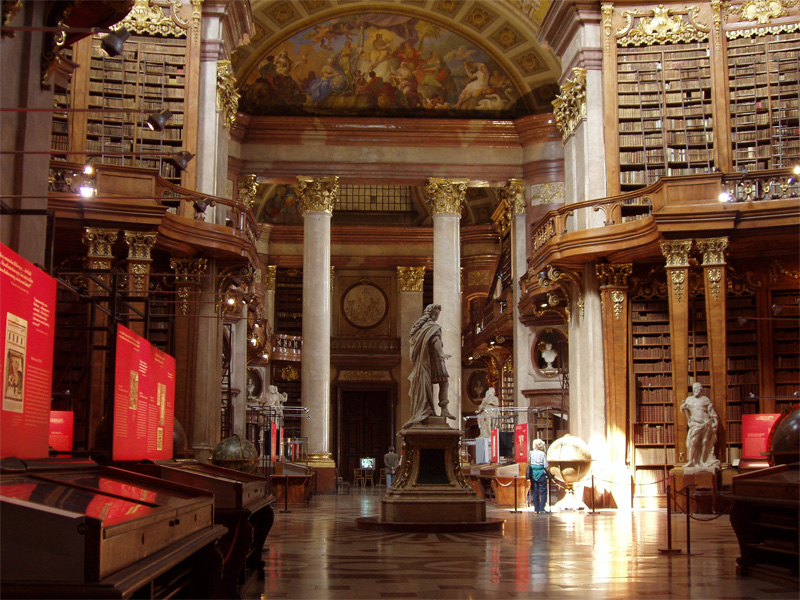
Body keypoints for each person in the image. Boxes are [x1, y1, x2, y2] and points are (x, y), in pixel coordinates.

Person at [405, 303, 454, 427]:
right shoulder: (432, 327)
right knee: (443, 383)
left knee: (438, 383)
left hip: (428, 360)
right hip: (433, 360)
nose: (437, 316)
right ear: (431, 313)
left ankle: (443, 409)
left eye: (438, 313)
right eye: (436, 313)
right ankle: (442, 409)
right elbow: (435, 340)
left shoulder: (421, 328)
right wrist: (441, 353)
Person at [681, 382, 720, 470]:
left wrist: (715, 421)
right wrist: (683, 408)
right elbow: (685, 410)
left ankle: (703, 460)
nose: (695, 391)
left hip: (706, 423)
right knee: (693, 441)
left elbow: (711, 412)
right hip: (695, 423)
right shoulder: (689, 400)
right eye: (694, 389)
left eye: (697, 389)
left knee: (705, 442)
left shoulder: (705, 400)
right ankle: (691, 461)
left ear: (701, 389)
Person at [527, 438, 549, 513]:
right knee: (543, 491)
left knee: (535, 491)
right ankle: (542, 508)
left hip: (533, 473)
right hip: (541, 473)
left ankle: (536, 508)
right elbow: (545, 465)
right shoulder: (543, 454)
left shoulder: (531, 453)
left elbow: (529, 461)